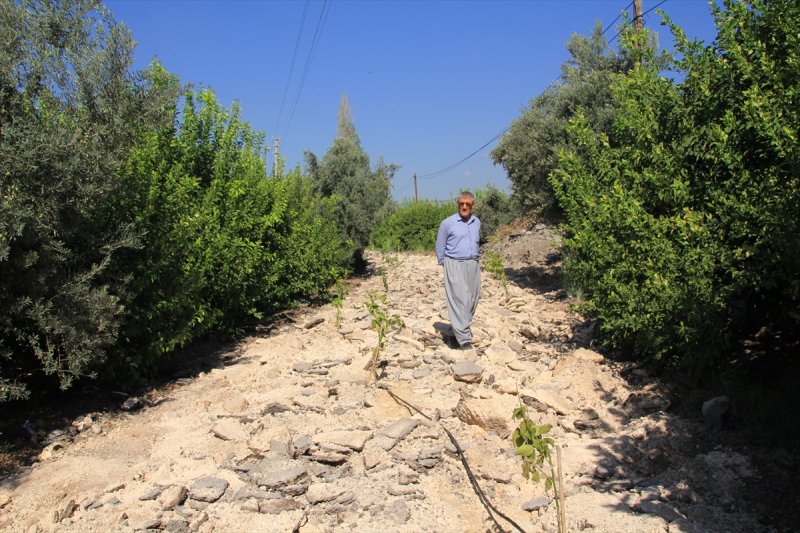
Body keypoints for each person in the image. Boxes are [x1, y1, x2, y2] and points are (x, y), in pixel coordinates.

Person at [435, 191, 481, 350]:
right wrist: (445, 264)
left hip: (473, 264)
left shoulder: (477, 222)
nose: (464, 206)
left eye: (468, 204)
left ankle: (456, 331)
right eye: (461, 203)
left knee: (472, 299)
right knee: (458, 300)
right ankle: (464, 340)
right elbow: (440, 245)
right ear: (458, 204)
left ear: (472, 205)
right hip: (454, 263)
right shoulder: (447, 223)